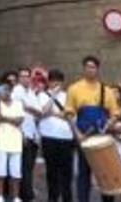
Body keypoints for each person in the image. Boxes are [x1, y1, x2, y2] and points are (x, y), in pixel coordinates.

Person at [65, 55, 121, 202]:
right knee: (83, 174)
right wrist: (77, 133)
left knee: (105, 173)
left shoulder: (107, 90)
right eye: (88, 67)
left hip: (102, 137)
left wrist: (110, 123)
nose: (90, 70)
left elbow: (115, 113)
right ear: (84, 68)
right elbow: (69, 114)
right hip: (83, 137)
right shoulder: (74, 89)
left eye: (93, 67)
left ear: (98, 69)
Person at [38, 69, 74, 202]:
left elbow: (71, 116)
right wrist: (52, 96)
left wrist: (54, 113)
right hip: (49, 137)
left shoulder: (68, 96)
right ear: (49, 82)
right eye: (53, 81)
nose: (55, 84)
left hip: (66, 138)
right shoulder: (42, 95)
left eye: (58, 81)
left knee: (66, 172)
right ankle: (52, 198)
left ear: (62, 82)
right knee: (52, 171)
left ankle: (67, 198)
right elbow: (42, 112)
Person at [13, 67, 46, 202]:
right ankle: (26, 196)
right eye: (22, 76)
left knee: (29, 166)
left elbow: (39, 113)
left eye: (27, 76)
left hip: (33, 134)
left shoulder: (31, 92)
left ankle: (26, 193)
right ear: (19, 78)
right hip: (22, 134)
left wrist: (28, 108)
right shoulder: (16, 92)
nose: (25, 78)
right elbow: (16, 113)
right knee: (24, 167)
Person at [0, 84, 26, 202]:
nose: (5, 93)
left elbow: (19, 121)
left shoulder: (18, 104)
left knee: (16, 172)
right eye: (3, 91)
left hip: (15, 141)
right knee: (0, 171)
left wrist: (5, 118)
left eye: (7, 91)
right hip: (1, 141)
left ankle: (16, 197)